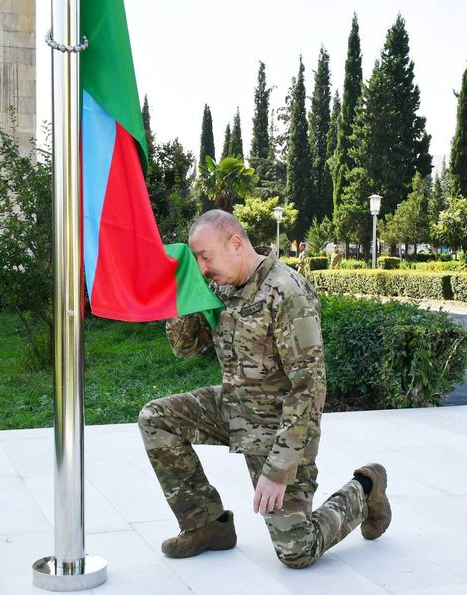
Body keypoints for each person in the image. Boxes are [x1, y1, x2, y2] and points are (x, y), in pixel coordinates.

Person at [139, 210, 390, 568]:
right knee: (156, 417)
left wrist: (278, 469)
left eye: (205, 257)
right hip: (233, 405)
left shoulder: (287, 292)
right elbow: (186, 348)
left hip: (279, 426)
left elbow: (309, 385)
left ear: (236, 244)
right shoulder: (220, 286)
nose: (202, 267)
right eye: (196, 259)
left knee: (297, 550)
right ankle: (207, 525)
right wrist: (181, 296)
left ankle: (365, 490)